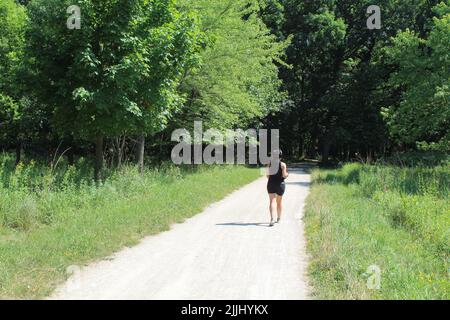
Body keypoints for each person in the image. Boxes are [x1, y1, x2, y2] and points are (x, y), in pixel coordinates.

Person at [266, 150, 289, 227]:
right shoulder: (283, 165)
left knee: (271, 201)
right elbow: (284, 175)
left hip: (271, 184)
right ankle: (278, 218)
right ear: (280, 156)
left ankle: (272, 219)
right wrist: (287, 173)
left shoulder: (269, 164)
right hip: (280, 185)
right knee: (279, 202)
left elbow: (267, 176)